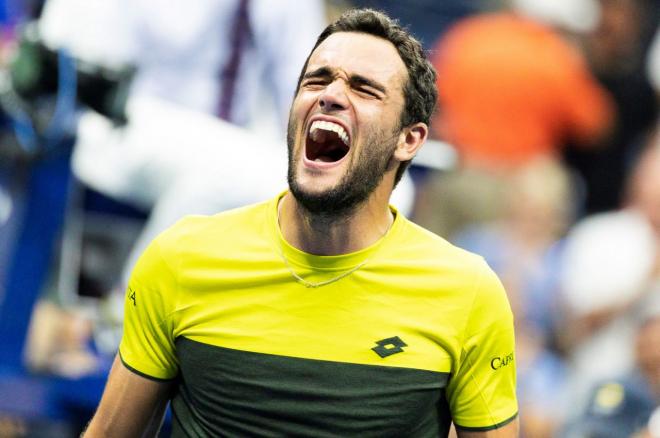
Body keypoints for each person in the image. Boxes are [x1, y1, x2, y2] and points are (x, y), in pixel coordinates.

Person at [84, 9, 518, 437]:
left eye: (364, 89)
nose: (330, 94)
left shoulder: (468, 293)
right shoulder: (179, 260)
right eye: (316, 80)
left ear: (409, 140)